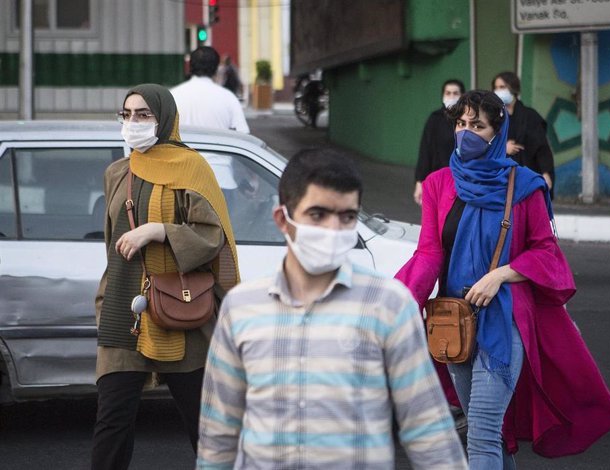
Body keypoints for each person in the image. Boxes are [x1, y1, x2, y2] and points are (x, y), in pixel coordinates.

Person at [395, 90, 610, 469]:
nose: (466, 132)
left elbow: (545, 252)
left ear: (497, 133)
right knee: (494, 436)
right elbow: (429, 254)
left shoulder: (524, 184)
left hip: (505, 322)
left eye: (477, 126)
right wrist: (398, 302)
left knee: (481, 434)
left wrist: (499, 275)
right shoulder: (439, 184)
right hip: (453, 323)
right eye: (460, 124)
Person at [196, 149, 467, 469]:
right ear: (283, 219)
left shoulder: (389, 306)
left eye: (347, 217)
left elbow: (429, 433)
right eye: (317, 215)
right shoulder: (241, 308)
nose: (334, 229)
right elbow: (219, 435)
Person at [92, 83, 241, 470]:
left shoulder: (191, 169)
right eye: (126, 115)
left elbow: (213, 236)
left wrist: (159, 231)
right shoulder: (117, 173)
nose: (133, 123)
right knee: (111, 425)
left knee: (205, 427)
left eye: (144, 115)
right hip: (125, 312)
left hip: (182, 311)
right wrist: (103, 303)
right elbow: (112, 248)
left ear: (166, 119)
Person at [492, 71, 555, 198]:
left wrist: (546, 173)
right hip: (500, 178)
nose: (498, 91)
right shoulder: (493, 118)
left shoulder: (530, 116)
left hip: (528, 174)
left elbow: (541, 147)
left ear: (513, 88)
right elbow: (484, 144)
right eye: (496, 88)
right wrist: (503, 148)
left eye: (502, 87)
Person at [171, 46, 249, 133]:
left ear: (190, 67)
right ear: (216, 69)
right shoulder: (229, 98)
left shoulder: (172, 96)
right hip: (218, 146)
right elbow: (243, 133)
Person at [413, 79, 465, 206]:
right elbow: (425, 151)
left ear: (462, 96)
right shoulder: (435, 119)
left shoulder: (468, 120)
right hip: (438, 179)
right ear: (443, 96)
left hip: (463, 180)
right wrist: (420, 181)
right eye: (448, 93)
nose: (452, 97)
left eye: (455, 93)